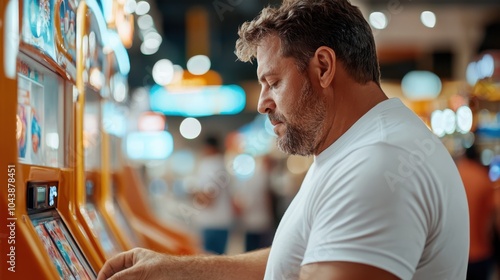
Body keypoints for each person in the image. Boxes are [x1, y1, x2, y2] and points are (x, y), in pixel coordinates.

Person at [97, 0, 469, 279]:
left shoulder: (379, 163)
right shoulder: (356, 149)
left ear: (323, 67)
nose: (262, 103)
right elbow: (300, 260)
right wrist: (178, 270)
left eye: (273, 82)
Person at [456, 144, 495, 280]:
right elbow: (492, 220)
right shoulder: (484, 178)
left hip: (455, 254)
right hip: (480, 252)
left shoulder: (454, 175)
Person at [191, 135, 235, 255]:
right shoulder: (222, 163)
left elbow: (208, 199)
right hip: (222, 221)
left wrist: (194, 193)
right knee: (219, 262)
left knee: (210, 264)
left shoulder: (210, 164)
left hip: (212, 223)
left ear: (208, 147)